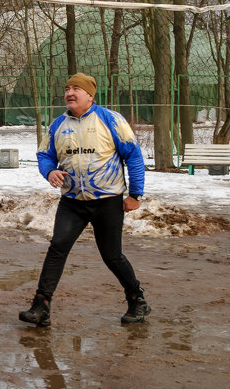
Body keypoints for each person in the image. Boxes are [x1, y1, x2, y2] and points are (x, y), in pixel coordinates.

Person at [19, 72, 149, 328]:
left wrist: (135, 194)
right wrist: (50, 171)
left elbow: (133, 156)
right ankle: (41, 306)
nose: (69, 93)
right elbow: (45, 154)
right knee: (58, 247)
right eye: (67, 88)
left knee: (112, 256)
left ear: (90, 95)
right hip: (72, 201)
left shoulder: (110, 119)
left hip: (107, 199)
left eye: (76, 88)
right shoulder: (58, 124)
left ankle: (137, 300)